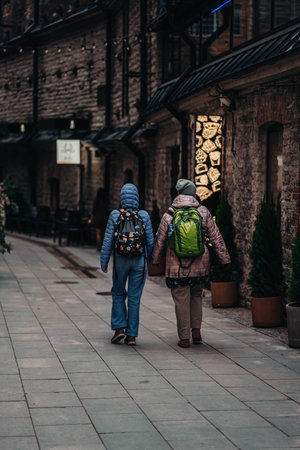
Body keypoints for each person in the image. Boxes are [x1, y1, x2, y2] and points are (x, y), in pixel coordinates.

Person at [151, 179, 231, 348]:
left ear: (178, 193)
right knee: (196, 296)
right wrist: (225, 258)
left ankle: (184, 337)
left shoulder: (170, 214)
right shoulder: (203, 211)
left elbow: (160, 239)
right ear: (193, 193)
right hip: (200, 264)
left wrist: (155, 260)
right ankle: (197, 332)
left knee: (181, 299)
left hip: (176, 266)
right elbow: (215, 236)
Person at [100, 183, 154, 345]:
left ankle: (119, 328)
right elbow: (150, 242)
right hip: (139, 261)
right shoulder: (144, 215)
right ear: (137, 198)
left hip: (120, 260)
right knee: (134, 297)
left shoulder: (115, 215)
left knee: (117, 292)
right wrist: (149, 260)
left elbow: (108, 240)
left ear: (122, 198)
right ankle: (131, 335)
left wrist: (104, 262)